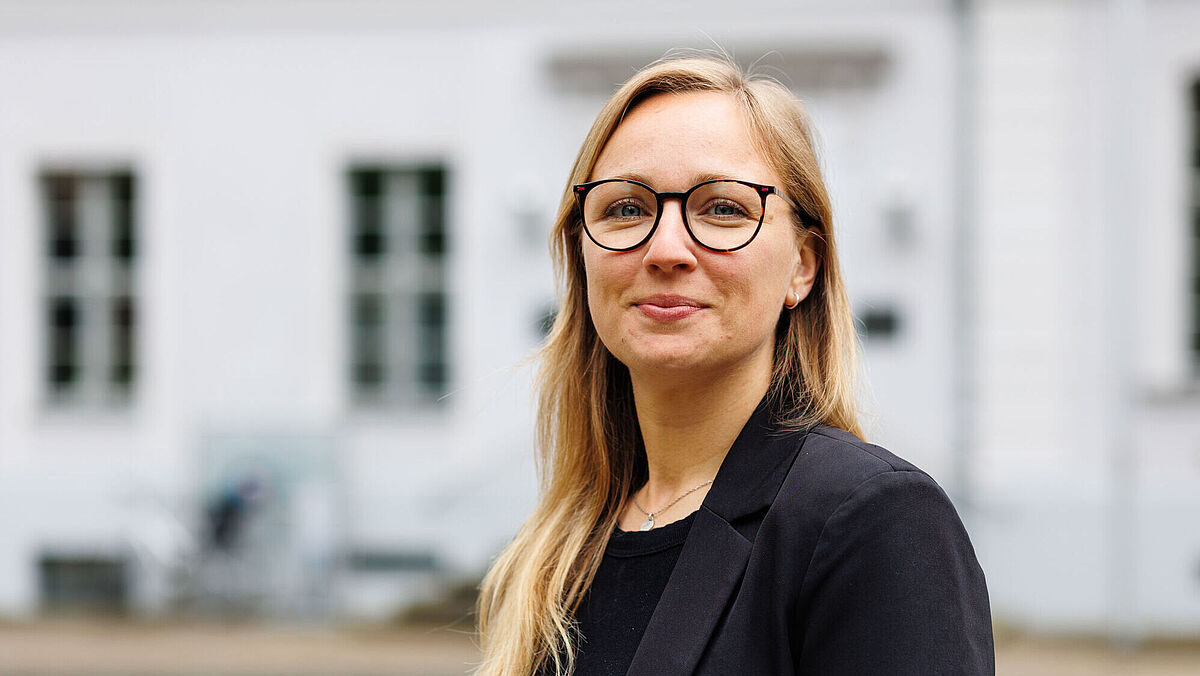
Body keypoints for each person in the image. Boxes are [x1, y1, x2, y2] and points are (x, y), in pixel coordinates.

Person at [475, 55, 994, 675]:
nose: (665, 249)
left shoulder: (872, 523)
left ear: (802, 265)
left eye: (723, 208)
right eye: (626, 209)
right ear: (581, 252)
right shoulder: (556, 554)